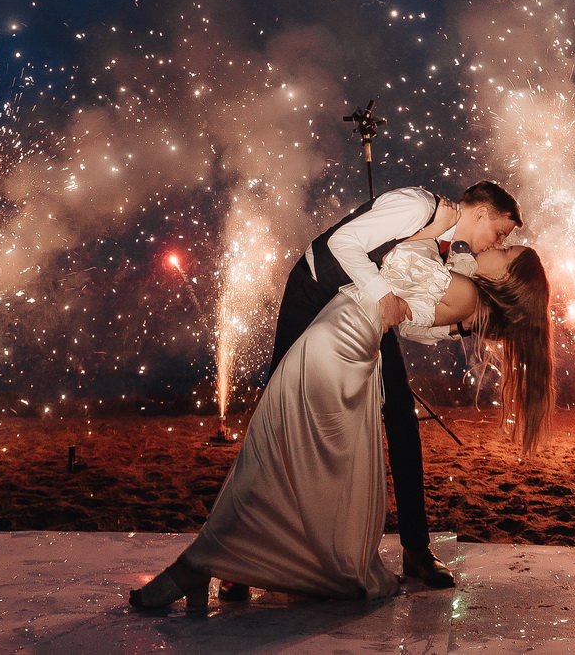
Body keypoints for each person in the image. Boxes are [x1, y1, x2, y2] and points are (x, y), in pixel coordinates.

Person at [129, 187, 551, 609]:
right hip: (316, 294)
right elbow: (344, 244)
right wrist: (422, 275)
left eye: (505, 246)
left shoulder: (449, 253)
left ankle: (415, 549)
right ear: (481, 212)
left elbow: (407, 310)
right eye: (501, 234)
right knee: (279, 428)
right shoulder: (420, 208)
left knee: (398, 419)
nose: (498, 243)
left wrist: (455, 312)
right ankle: (241, 564)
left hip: (359, 321)